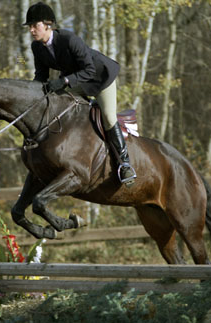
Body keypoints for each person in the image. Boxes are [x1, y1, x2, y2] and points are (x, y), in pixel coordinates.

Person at [23, 2, 137, 187]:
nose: (31, 30)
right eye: (30, 26)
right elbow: (41, 75)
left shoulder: (69, 39)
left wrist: (65, 81)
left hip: (100, 79)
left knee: (108, 117)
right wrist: (34, 94)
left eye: (35, 26)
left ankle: (125, 164)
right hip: (77, 81)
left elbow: (90, 70)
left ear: (47, 24)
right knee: (55, 100)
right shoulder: (37, 47)